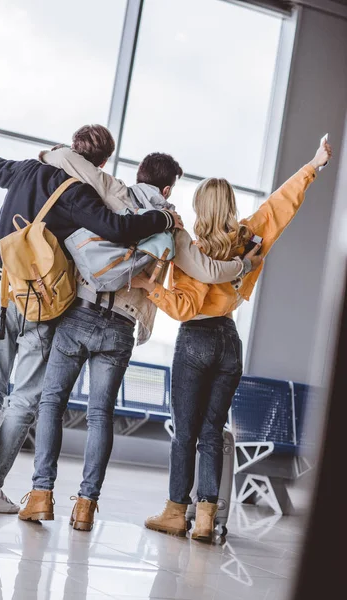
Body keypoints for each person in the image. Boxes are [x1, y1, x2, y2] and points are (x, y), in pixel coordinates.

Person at [0, 99, 181, 515]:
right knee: (23, 398)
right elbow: (121, 229)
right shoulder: (80, 195)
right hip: (44, 303)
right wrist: (163, 221)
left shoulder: (27, 169)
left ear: (71, 146)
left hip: (4, 289)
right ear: (102, 161)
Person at [19, 147, 262, 530]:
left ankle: (40, 495)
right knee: (101, 414)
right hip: (121, 325)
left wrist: (49, 153)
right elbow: (206, 268)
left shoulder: (112, 193)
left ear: (138, 174)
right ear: (167, 187)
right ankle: (85, 506)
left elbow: (77, 164)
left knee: (52, 402)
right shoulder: (170, 224)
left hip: (81, 309)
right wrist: (244, 264)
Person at [131, 138, 332, 543]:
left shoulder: (194, 250)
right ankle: (205, 519)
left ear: (201, 208)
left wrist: (149, 288)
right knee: (212, 431)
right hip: (229, 341)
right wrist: (313, 165)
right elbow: (280, 205)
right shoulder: (247, 238)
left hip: (196, 340)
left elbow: (186, 308)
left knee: (185, 432)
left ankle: (175, 512)